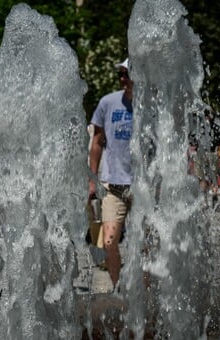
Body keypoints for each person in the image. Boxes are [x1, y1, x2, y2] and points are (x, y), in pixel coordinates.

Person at [88, 58, 133, 288]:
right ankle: (118, 288)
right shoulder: (108, 103)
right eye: (121, 74)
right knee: (108, 241)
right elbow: (96, 142)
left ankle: (143, 292)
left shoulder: (152, 104)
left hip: (142, 188)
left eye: (127, 73)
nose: (123, 79)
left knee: (146, 245)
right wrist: (92, 179)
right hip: (113, 185)